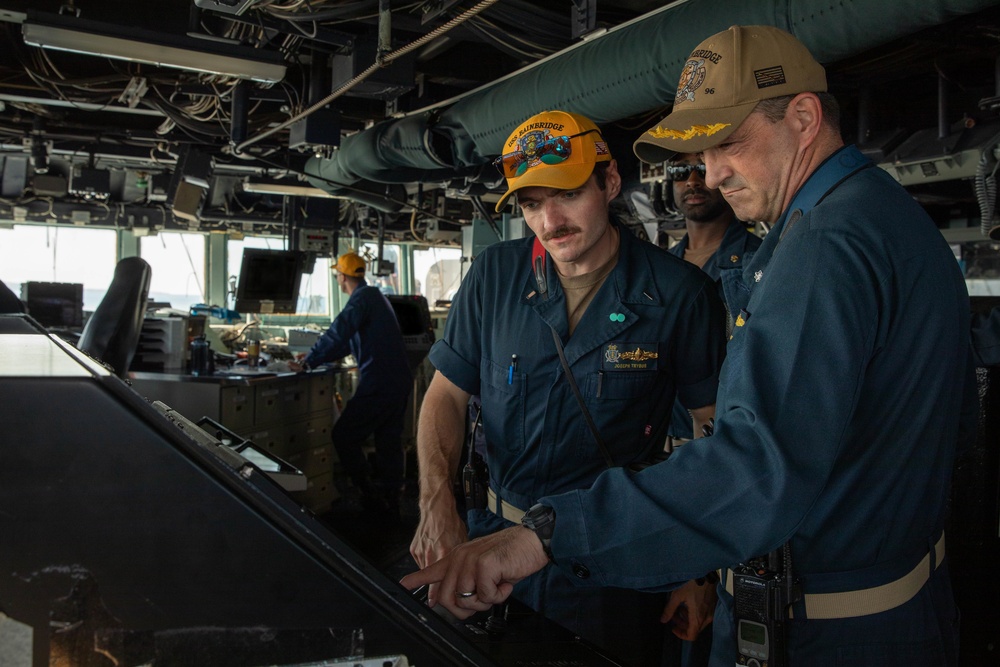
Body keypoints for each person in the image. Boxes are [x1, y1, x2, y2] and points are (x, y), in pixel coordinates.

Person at [402, 25, 976, 667]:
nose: (711, 173)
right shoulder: (878, 217)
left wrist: (547, 535)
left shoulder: (821, 248)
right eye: (702, 152)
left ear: (805, 117)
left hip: (826, 624)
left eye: (728, 142)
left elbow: (749, 464)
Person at [408, 109, 727, 665]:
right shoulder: (494, 277)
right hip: (490, 549)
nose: (549, 219)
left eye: (567, 193)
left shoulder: (681, 294)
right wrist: (436, 501)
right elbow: (446, 397)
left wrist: (700, 569)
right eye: (531, 204)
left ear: (608, 183)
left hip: (614, 558)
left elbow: (711, 431)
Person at [661, 155, 762, 665]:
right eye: (680, 173)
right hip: (660, 471)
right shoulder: (658, 270)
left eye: (700, 169)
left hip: (720, 470)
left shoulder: (762, 265)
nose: (692, 182)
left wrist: (701, 567)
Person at [292, 251, 412, 513]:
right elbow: (346, 341)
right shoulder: (374, 296)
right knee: (388, 439)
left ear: (341, 276)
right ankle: (391, 499)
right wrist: (315, 356)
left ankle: (367, 490)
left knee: (344, 435)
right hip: (397, 381)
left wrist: (308, 362)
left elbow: (339, 330)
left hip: (379, 383)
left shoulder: (362, 299)